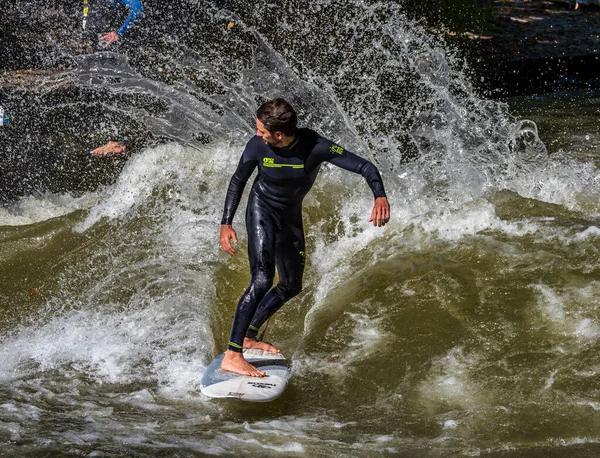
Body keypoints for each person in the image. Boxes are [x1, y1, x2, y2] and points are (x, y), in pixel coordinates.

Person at [219, 98, 390, 377]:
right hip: (261, 209)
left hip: (289, 216)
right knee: (262, 279)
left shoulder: (316, 146)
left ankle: (249, 336)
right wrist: (226, 222)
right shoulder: (256, 146)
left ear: (279, 134)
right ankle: (233, 353)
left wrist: (379, 195)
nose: (257, 134)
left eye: (262, 131)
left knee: (291, 285)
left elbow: (365, 167)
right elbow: (238, 180)